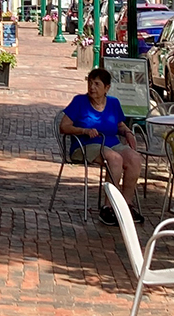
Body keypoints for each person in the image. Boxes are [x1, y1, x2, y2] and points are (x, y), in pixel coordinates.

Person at [61, 67, 144, 224]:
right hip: (85, 145)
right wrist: (83, 130)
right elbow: (63, 127)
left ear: (107, 88)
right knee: (114, 159)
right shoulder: (79, 101)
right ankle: (108, 208)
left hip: (112, 143)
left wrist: (128, 133)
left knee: (134, 158)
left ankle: (126, 205)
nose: (92, 87)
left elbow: (119, 125)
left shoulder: (113, 103)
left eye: (97, 84)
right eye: (90, 83)